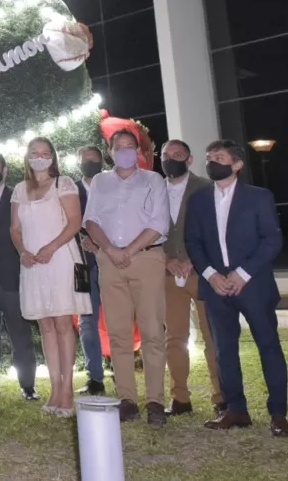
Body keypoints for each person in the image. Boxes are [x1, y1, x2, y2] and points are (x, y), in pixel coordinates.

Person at [185, 139, 288, 436]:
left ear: (237, 164)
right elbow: (192, 242)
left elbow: (272, 240)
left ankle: (279, 414)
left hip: (253, 285)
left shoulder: (258, 197)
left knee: (268, 346)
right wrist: (210, 274)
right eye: (209, 157)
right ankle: (236, 409)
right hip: (215, 288)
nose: (212, 162)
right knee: (223, 350)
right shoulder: (199, 199)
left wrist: (242, 273)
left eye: (218, 157)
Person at [83, 129, 170, 425]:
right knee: (118, 334)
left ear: (138, 151)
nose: (124, 151)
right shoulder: (100, 182)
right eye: (118, 147)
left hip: (146, 258)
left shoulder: (153, 180)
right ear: (110, 152)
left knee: (152, 332)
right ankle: (127, 399)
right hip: (109, 262)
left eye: (129, 147)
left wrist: (128, 250)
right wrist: (109, 249)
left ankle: (156, 401)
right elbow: (91, 220)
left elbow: (158, 223)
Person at [11, 138, 91, 416]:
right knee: (45, 326)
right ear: (27, 157)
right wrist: (22, 252)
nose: (40, 158)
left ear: (53, 158)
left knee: (62, 324)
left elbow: (74, 222)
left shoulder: (63, 184)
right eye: (35, 153)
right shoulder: (20, 190)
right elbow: (15, 229)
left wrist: (51, 247)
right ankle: (55, 388)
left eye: (45, 154)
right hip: (32, 264)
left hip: (61, 260)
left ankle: (67, 389)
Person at [160, 139, 223, 417]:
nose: (171, 159)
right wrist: (168, 260)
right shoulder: (152, 189)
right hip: (167, 274)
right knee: (174, 338)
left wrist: (191, 260)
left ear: (189, 159)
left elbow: (215, 231)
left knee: (213, 337)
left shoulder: (205, 188)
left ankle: (222, 397)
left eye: (177, 155)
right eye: (166, 155)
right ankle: (180, 399)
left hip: (202, 273)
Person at [0, 150, 38, 402]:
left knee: (20, 333)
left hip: (13, 276)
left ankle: (27, 386)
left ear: (4, 171)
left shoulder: (19, 196)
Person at [74, 145, 106, 395]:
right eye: (84, 159)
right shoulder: (69, 190)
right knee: (86, 322)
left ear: (102, 161)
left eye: (93, 159)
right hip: (80, 266)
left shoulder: (114, 185)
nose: (89, 162)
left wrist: (99, 245)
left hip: (112, 262)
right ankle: (95, 377)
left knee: (119, 320)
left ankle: (122, 369)